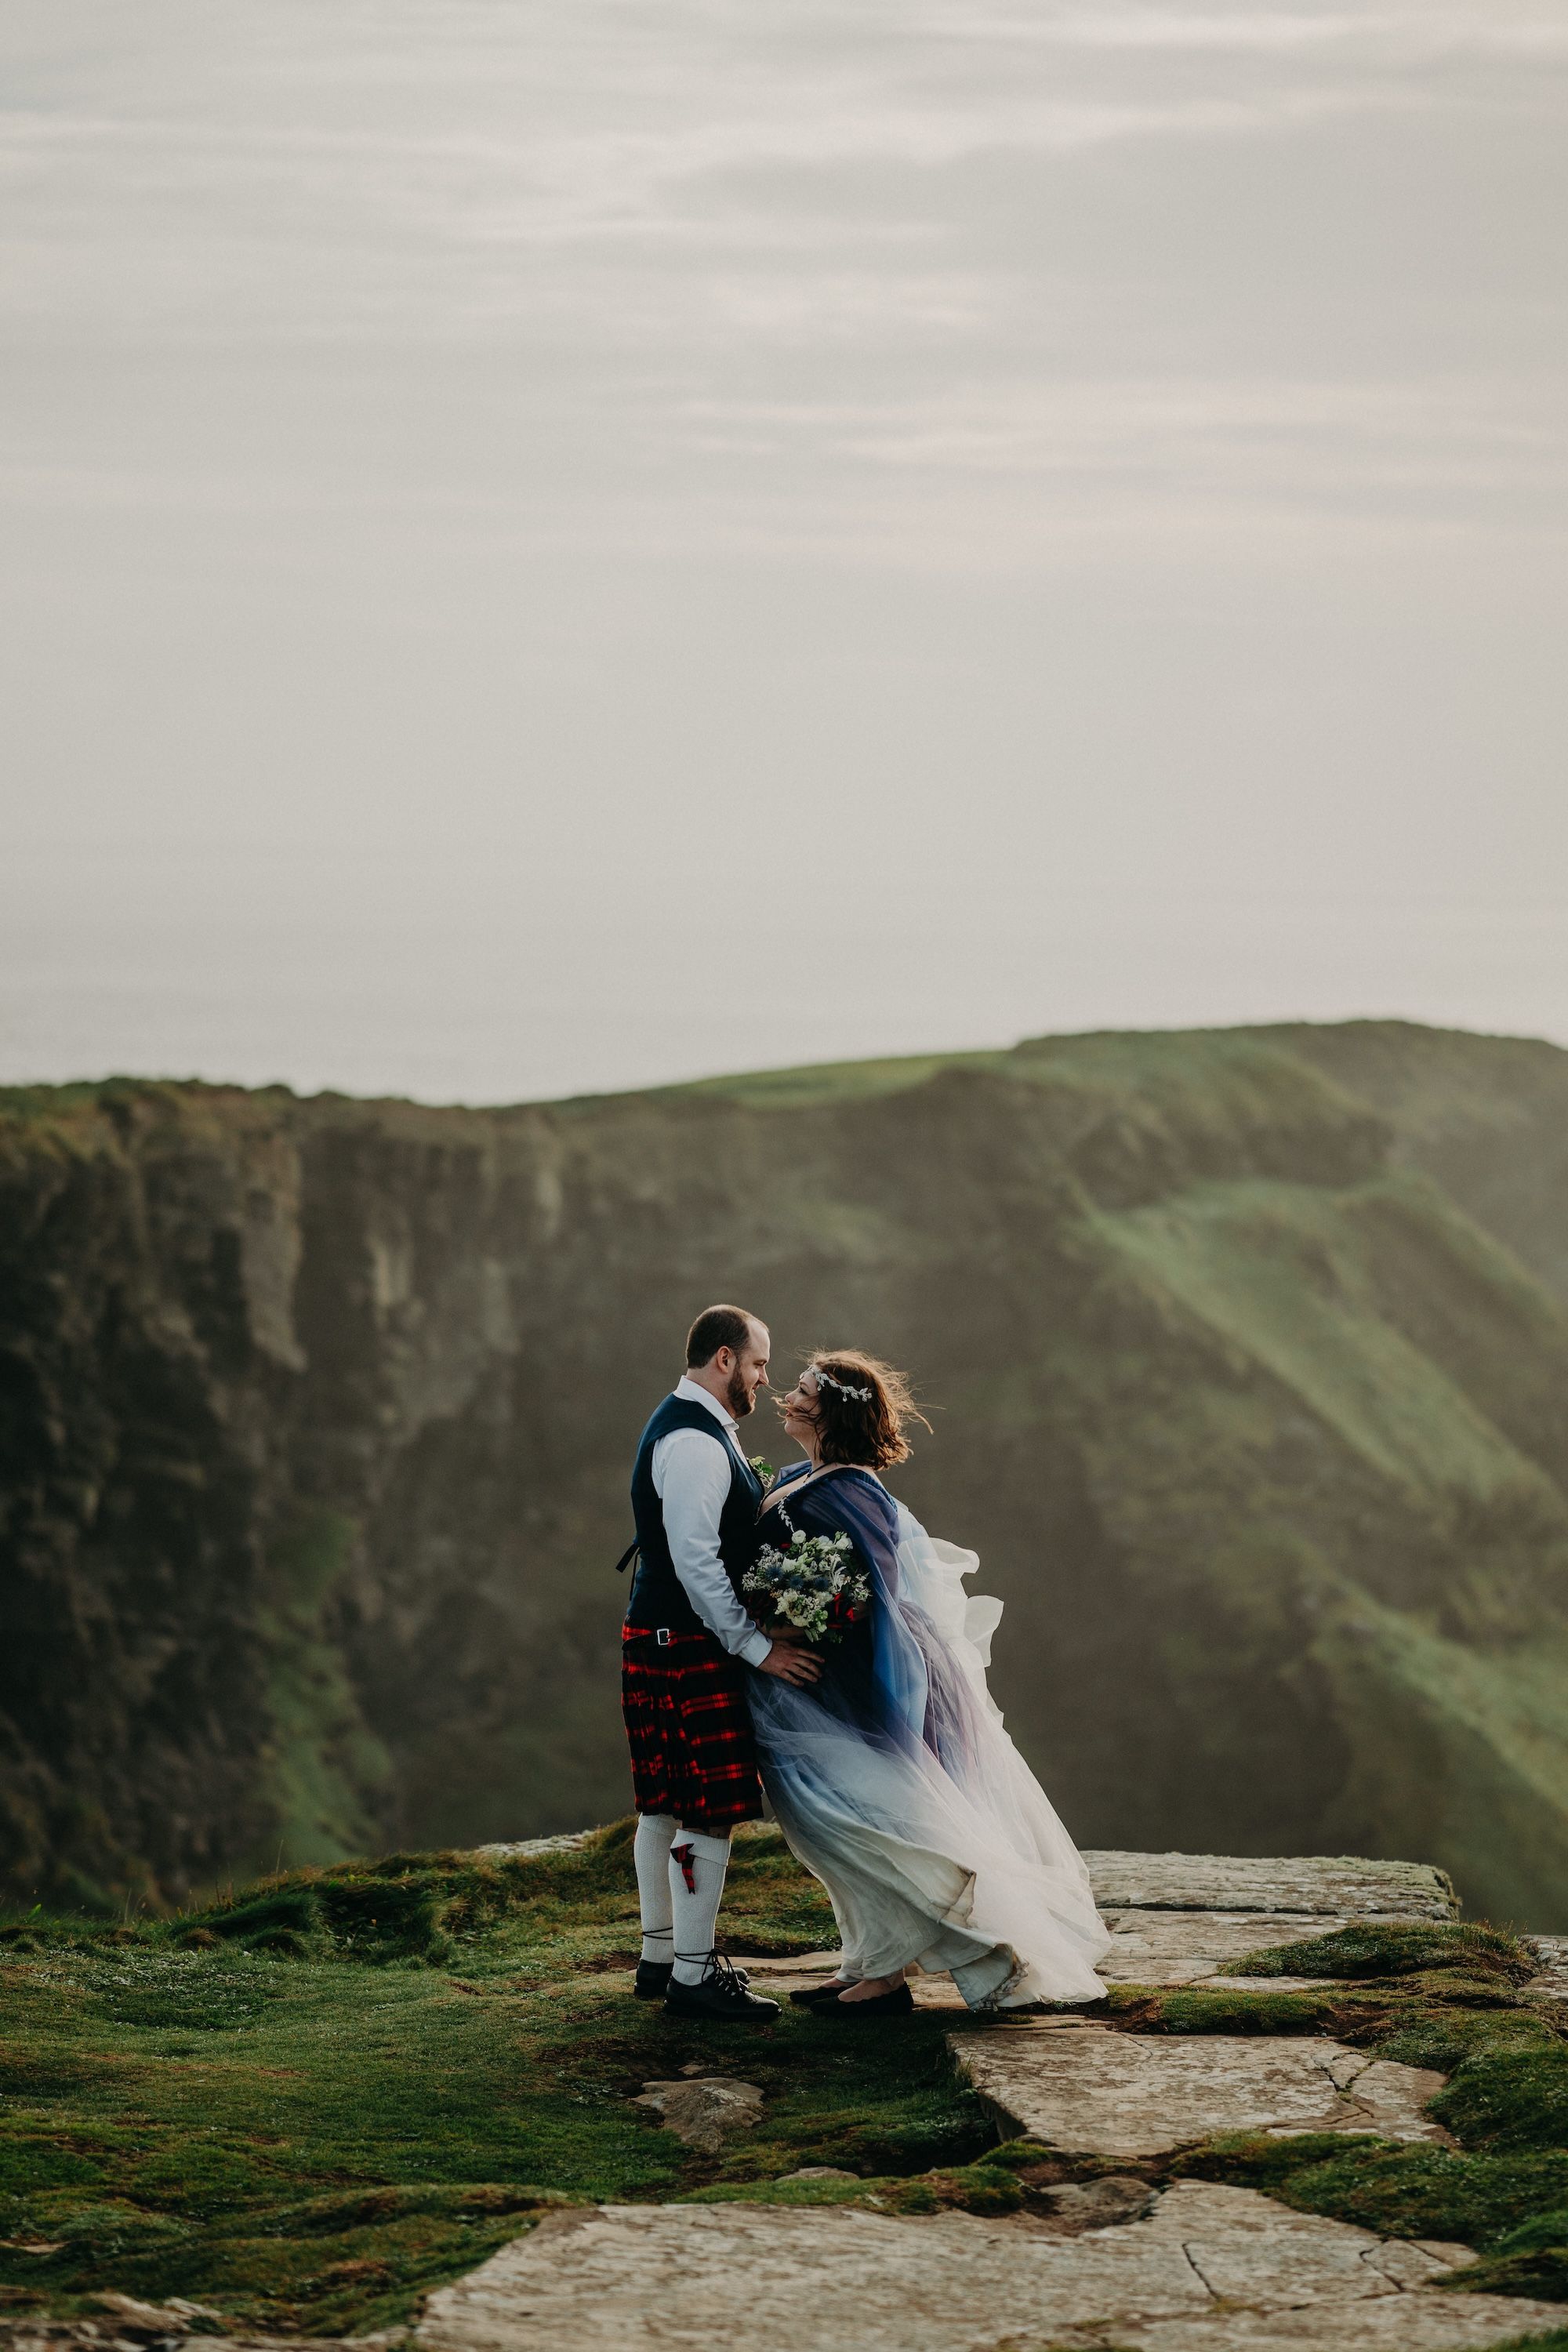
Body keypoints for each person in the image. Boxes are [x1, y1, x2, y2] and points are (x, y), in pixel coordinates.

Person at [744, 1352, 1111, 2016]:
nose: (787, 1399)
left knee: (864, 1821)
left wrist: (816, 1630)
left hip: (856, 1681)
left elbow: (876, 1598)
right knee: (835, 1823)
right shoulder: (811, 1475)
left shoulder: (849, 1491)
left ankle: (929, 1965)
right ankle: (867, 1962)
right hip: (814, 1682)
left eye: (801, 1392)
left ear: (833, 1411)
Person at [618, 1303, 821, 2021]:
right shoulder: (698, 1443)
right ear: (726, 1360)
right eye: (760, 1364)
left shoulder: (687, 1424)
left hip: (658, 1636)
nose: (766, 1380)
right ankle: (695, 1977)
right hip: (684, 1641)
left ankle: (661, 1958)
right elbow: (696, 1563)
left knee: (665, 1803)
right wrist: (758, 1648)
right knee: (705, 1809)